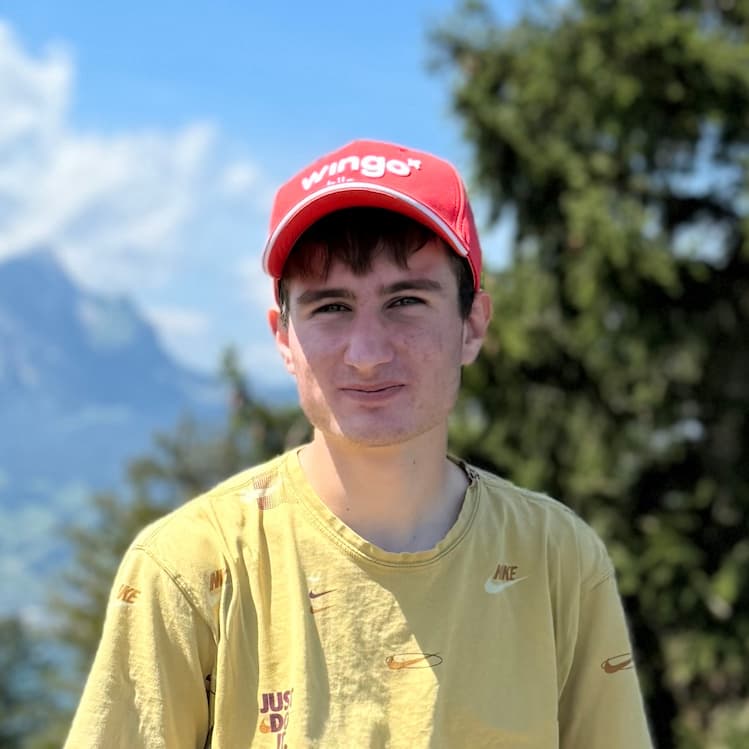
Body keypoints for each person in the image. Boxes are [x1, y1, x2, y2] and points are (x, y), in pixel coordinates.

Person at [65, 139, 653, 748]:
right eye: (331, 307)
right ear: (284, 338)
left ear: (472, 325)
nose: (367, 353)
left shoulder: (558, 560)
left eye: (406, 301)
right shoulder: (190, 568)